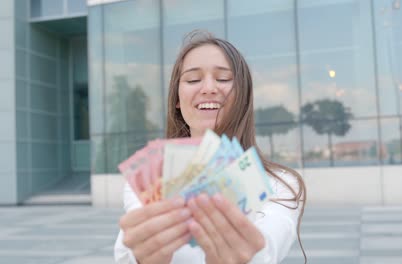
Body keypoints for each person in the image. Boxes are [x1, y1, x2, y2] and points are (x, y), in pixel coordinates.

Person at [114, 30, 307, 264]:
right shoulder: (145, 185)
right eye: (193, 79)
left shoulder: (281, 185)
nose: (208, 88)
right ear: (176, 98)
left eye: (224, 79)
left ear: (243, 94)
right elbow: (128, 254)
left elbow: (266, 251)